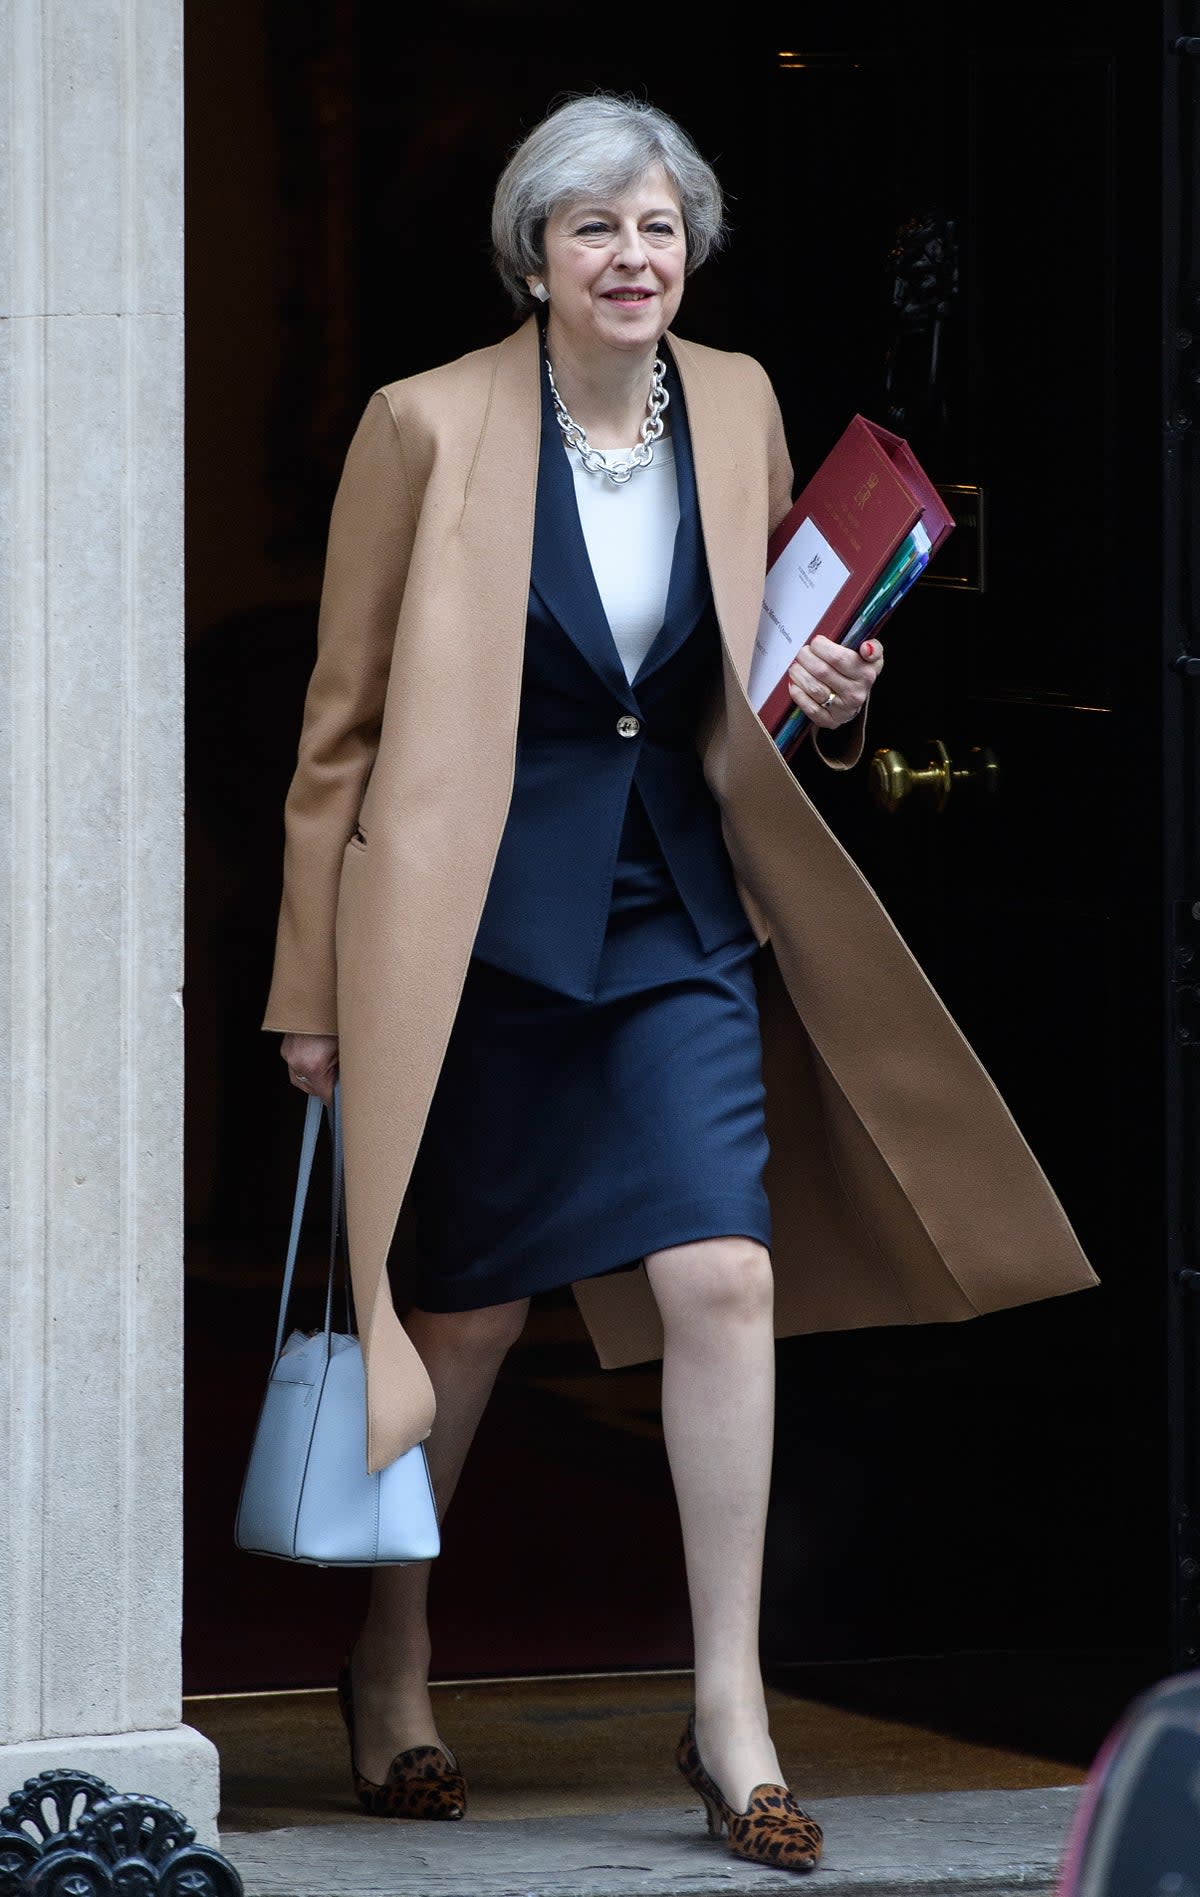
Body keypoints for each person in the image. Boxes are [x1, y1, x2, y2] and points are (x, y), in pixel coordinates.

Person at [263, 93, 1097, 1873]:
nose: (632, 259)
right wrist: (310, 995)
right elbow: (334, 736)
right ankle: (389, 1658)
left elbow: (746, 652)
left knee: (723, 1270)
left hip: (678, 906)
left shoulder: (736, 399)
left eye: (656, 229)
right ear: (533, 257)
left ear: (687, 248)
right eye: (595, 233)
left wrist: (828, 695)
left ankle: (731, 1713)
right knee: (467, 1318)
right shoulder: (422, 427)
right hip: (478, 921)